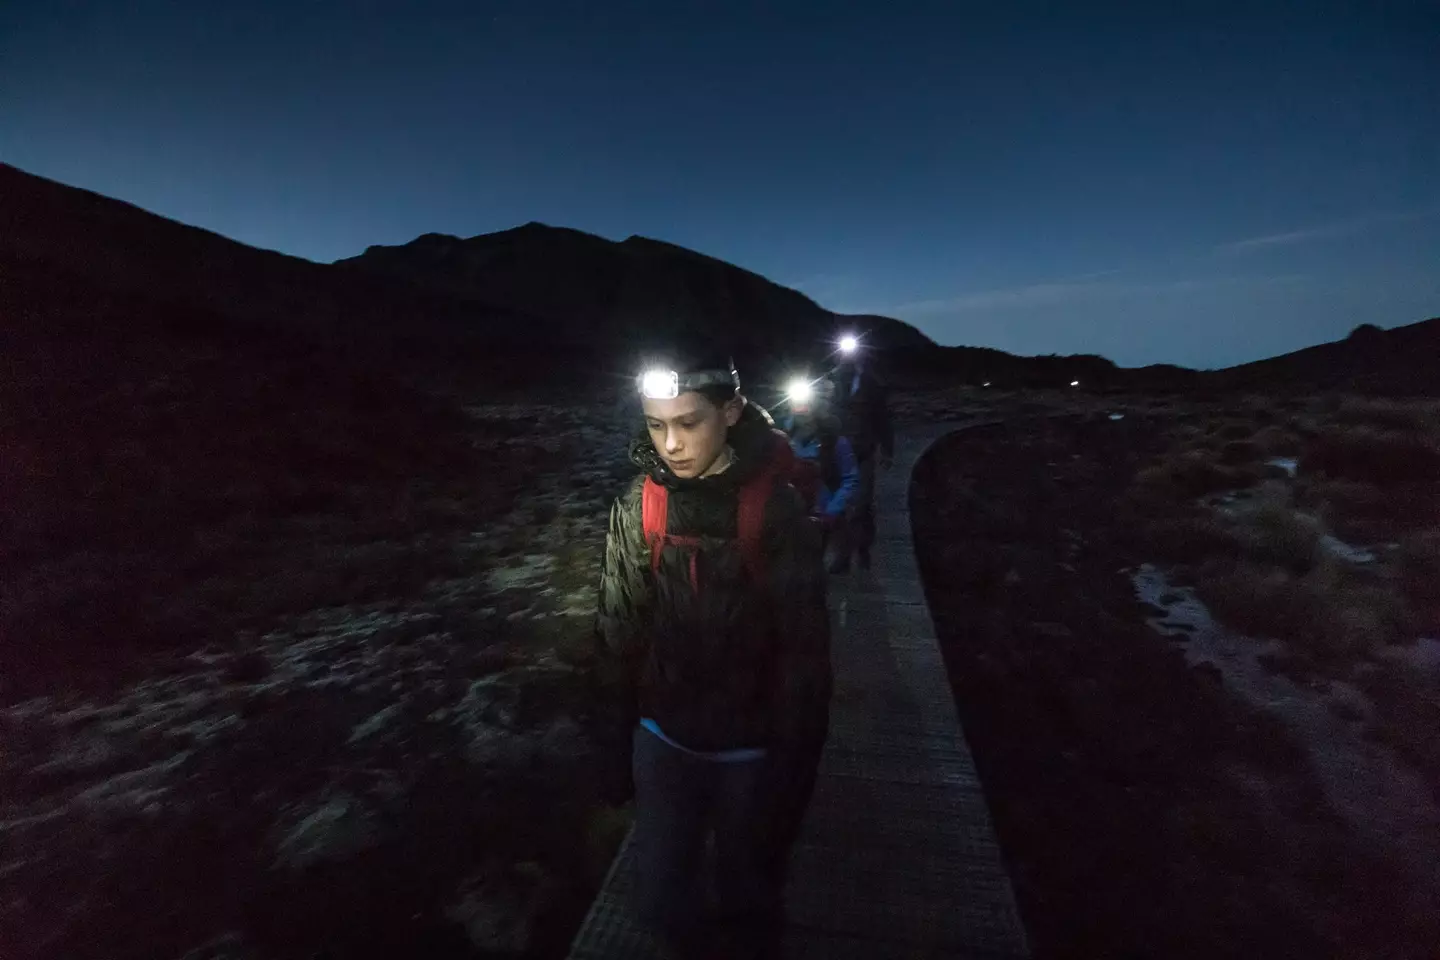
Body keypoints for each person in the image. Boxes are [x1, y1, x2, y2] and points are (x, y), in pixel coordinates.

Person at [594, 350, 833, 958]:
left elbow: (804, 655)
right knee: (662, 899)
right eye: (655, 424)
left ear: (729, 412)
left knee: (748, 897)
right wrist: (611, 745)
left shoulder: (774, 510)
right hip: (662, 736)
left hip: (750, 751)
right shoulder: (638, 505)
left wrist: (792, 775)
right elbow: (620, 628)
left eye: (689, 422)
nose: (670, 442)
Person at [779, 379, 861, 574]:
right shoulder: (783, 439)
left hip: (822, 519)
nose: (802, 411)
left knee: (816, 572)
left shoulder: (834, 442)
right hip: (789, 518)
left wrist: (831, 512)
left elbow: (850, 479)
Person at [831, 349, 894, 571]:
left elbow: (883, 418)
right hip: (838, 451)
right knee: (838, 505)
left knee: (862, 505)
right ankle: (843, 556)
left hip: (863, 450)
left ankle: (863, 548)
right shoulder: (832, 381)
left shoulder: (871, 384)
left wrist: (888, 450)